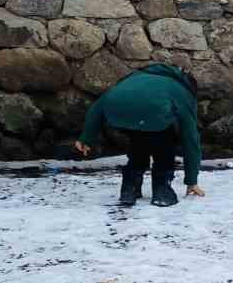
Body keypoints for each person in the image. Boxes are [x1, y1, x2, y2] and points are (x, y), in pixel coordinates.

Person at [74, 63, 205, 207]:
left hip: (118, 110)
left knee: (139, 143)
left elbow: (98, 106)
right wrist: (191, 181)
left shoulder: (134, 78)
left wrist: (86, 137)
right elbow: (190, 138)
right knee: (164, 146)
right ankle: (162, 191)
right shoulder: (180, 90)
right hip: (156, 111)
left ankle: (129, 190)